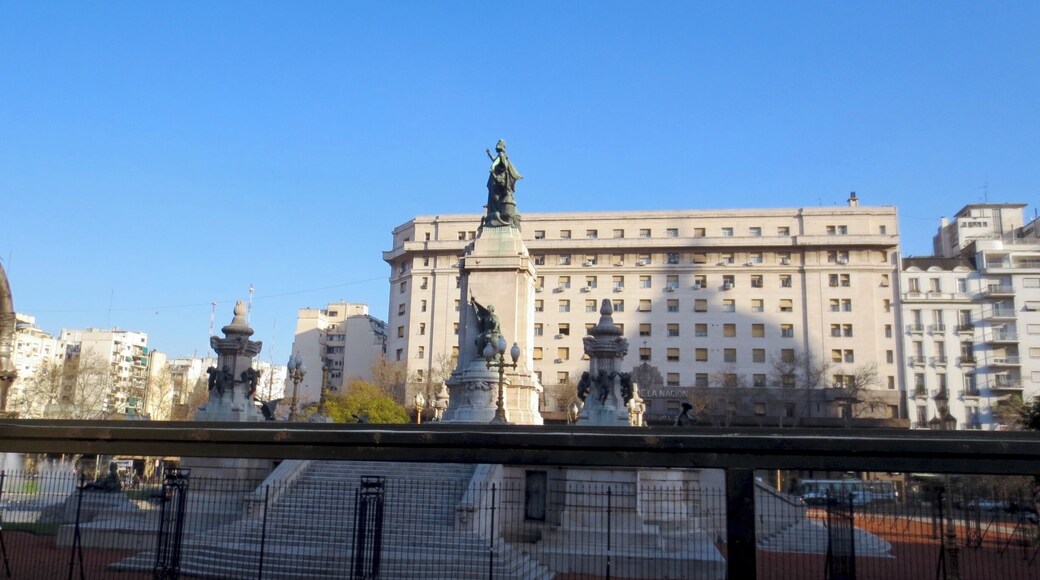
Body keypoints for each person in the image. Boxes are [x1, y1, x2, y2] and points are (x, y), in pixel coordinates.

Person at [484, 140, 522, 228]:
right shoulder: (502, 155)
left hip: (499, 179)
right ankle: (497, 211)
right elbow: (496, 160)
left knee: (496, 196)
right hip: (499, 179)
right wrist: (490, 155)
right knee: (496, 196)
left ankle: (498, 211)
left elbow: (498, 163)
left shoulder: (502, 155)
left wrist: (493, 167)